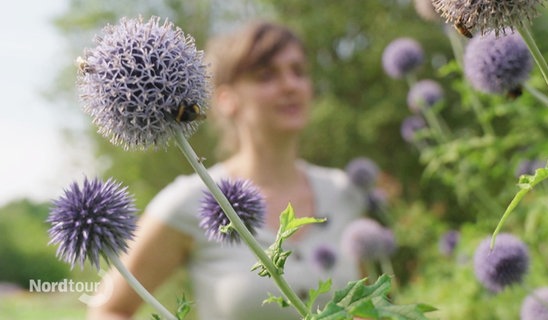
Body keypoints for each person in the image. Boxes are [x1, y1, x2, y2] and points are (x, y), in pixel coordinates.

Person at [87, 21, 367, 320]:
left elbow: (367, 306)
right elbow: (109, 308)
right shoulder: (188, 201)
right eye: (266, 75)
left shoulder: (344, 192)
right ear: (226, 99)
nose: (290, 85)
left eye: (298, 71)